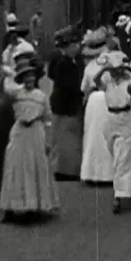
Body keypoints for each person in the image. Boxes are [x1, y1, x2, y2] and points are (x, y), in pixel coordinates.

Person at [0, 14, 35, 201]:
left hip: (13, 96)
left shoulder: (16, 51)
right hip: (15, 99)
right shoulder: (19, 51)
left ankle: (3, 183)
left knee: (5, 142)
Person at [0, 59, 60, 224]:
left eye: (32, 77)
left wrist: (48, 140)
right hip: (19, 132)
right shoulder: (16, 94)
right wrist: (10, 73)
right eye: (26, 77)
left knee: (36, 168)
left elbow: (48, 118)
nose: (29, 80)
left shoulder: (41, 96)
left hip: (36, 132)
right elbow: (7, 85)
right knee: (15, 167)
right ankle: (12, 207)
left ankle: (36, 207)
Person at [95, 51, 131, 214]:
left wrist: (129, 73)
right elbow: (96, 81)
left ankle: (118, 195)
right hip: (110, 118)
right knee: (114, 153)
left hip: (125, 118)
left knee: (122, 157)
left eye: (118, 69)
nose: (115, 72)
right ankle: (127, 187)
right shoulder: (108, 80)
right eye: (113, 69)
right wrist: (104, 69)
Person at [48, 25, 85, 181]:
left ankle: (65, 169)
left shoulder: (69, 61)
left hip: (64, 103)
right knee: (67, 138)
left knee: (65, 137)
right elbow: (70, 85)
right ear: (68, 47)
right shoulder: (65, 63)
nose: (77, 47)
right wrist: (81, 90)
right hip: (66, 105)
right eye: (74, 45)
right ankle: (65, 170)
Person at [79, 28, 115, 185]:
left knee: (93, 136)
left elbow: (84, 88)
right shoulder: (113, 63)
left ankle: (92, 173)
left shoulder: (89, 67)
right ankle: (109, 173)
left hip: (93, 101)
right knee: (108, 135)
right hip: (109, 98)